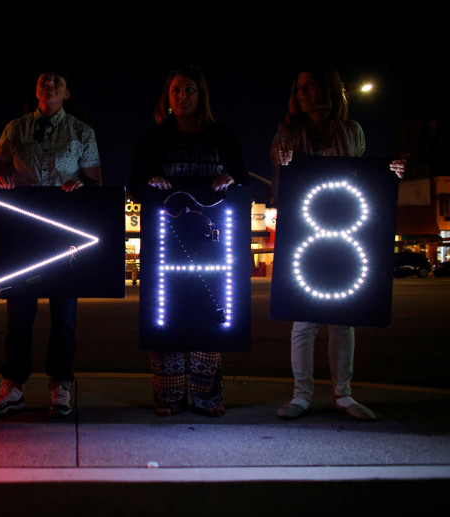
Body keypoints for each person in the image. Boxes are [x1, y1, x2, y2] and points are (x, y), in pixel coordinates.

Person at [271, 61, 404, 422]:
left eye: (310, 85)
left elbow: (365, 178)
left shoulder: (351, 131)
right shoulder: (287, 135)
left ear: (328, 90)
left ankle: (342, 394)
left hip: (346, 227)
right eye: (299, 86)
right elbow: (283, 186)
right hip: (305, 231)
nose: (303, 92)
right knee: (303, 321)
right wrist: (284, 165)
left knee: (342, 319)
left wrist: (391, 176)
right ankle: (302, 394)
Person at [0, 66, 102, 418]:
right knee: (18, 313)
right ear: (36, 90)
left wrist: (80, 187)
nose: (49, 84)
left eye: (57, 81)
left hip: (66, 235)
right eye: (44, 80)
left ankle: (60, 384)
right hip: (24, 232)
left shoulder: (82, 132)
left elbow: (95, 184)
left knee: (64, 314)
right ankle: (13, 386)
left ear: (67, 94)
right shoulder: (15, 129)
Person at [129, 65, 249, 416]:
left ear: (202, 94)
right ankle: (169, 396)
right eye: (176, 90)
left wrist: (230, 178)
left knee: (210, 314)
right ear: (168, 97)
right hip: (165, 238)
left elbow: (241, 179)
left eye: (190, 89)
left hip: (212, 240)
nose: (183, 96)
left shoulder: (223, 136)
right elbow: (134, 184)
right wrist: (151, 182)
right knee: (165, 314)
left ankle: (207, 396)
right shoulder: (154, 138)